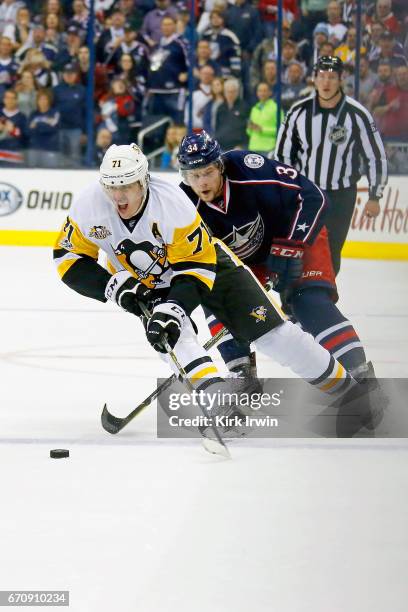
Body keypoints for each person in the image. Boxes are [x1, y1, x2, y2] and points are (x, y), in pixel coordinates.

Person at [53, 143, 372, 435]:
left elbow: (194, 268)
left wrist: (174, 307)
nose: (118, 195)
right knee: (173, 338)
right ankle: (222, 406)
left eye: (126, 186)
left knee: (274, 335)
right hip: (147, 283)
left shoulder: (172, 204)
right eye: (111, 186)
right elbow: (67, 258)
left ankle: (350, 391)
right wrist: (114, 286)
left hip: (210, 267)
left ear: (143, 181)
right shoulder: (88, 206)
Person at [176, 130, 375, 390]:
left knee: (308, 301)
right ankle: (243, 377)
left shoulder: (249, 169)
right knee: (216, 296)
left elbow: (313, 196)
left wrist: (291, 245)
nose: (202, 182)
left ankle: (362, 377)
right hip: (246, 263)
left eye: (208, 172)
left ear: (221, 166)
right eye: (194, 175)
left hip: (294, 234)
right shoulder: (182, 205)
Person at [274, 55, 388, 276]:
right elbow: (283, 155)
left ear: (340, 79)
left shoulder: (357, 115)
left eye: (332, 77)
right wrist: (286, 189)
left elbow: (375, 156)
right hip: (307, 194)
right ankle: (291, 302)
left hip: (341, 195)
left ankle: (323, 300)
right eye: (322, 76)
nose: (326, 82)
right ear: (314, 79)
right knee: (297, 246)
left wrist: (375, 195)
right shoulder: (298, 112)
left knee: (332, 250)